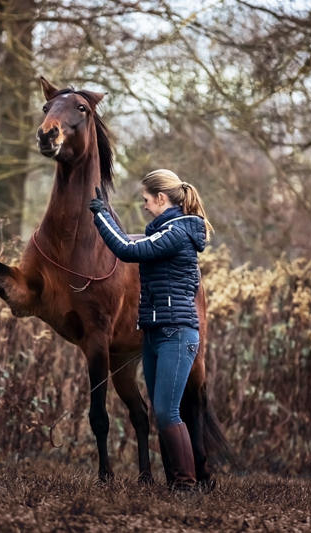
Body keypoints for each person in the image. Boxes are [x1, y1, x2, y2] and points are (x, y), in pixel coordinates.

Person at [89, 169, 214, 490]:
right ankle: (178, 481)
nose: (143, 205)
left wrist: (101, 216)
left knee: (167, 411)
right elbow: (134, 243)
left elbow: (129, 251)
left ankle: (186, 484)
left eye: (146, 199)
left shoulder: (179, 232)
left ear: (161, 198)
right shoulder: (163, 232)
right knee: (164, 412)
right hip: (156, 331)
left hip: (177, 333)